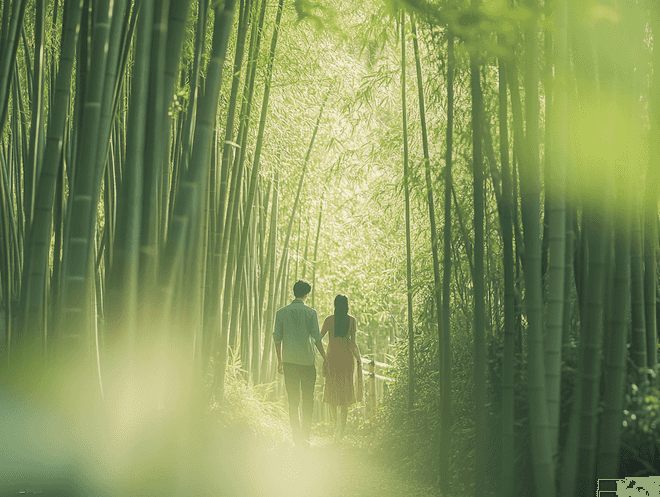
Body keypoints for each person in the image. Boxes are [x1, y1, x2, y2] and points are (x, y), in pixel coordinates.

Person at [274, 279, 327, 447]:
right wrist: (326, 358)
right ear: (307, 294)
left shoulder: (281, 313)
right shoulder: (311, 313)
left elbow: (277, 338)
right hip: (307, 362)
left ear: (294, 292)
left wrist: (279, 361)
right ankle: (305, 435)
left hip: (289, 362)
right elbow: (317, 339)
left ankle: (296, 436)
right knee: (308, 399)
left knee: (293, 400)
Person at [321, 294, 362, 442]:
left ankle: (334, 429)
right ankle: (341, 432)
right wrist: (358, 357)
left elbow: (318, 338)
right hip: (346, 360)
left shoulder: (329, 320)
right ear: (347, 305)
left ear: (335, 305)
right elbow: (353, 343)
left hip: (332, 359)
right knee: (344, 396)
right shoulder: (352, 321)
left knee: (332, 394)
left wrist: (323, 354)